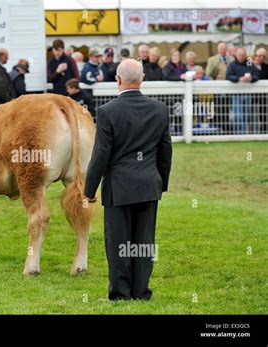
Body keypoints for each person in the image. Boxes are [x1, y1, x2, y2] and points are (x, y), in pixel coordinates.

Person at [84, 59, 172, 301]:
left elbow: (101, 155)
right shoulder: (159, 109)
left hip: (119, 187)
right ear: (142, 78)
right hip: (148, 186)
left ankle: (120, 294)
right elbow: (166, 152)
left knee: (118, 243)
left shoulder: (107, 112)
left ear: (118, 80)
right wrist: (160, 184)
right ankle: (141, 291)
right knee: (144, 243)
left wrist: (89, 190)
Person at [226, 48, 260, 134]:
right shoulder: (232, 65)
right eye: (240, 55)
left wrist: (251, 78)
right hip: (236, 94)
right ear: (236, 55)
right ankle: (238, 134)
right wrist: (239, 79)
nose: (242, 57)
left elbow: (257, 75)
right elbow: (228, 76)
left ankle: (244, 134)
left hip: (247, 94)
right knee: (238, 116)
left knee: (246, 116)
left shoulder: (249, 63)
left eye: (243, 55)